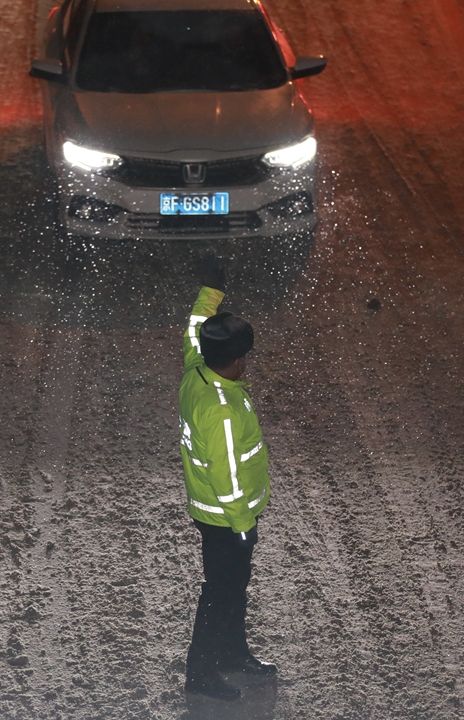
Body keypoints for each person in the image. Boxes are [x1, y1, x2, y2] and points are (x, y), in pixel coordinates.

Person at [179, 257, 278, 701]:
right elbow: (228, 475)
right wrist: (243, 526)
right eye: (244, 359)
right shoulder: (220, 408)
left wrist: (210, 292)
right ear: (235, 360)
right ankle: (201, 672)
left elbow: (194, 329)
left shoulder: (196, 368)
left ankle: (234, 653)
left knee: (233, 589)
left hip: (222, 515)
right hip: (225, 519)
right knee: (219, 595)